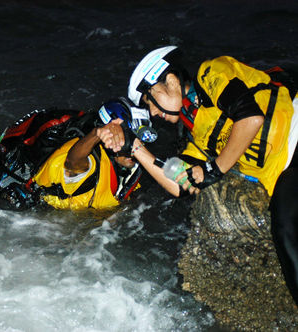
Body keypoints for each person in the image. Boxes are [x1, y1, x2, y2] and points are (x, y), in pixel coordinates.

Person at [105, 46, 297, 303]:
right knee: (284, 229)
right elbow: (179, 186)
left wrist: (214, 169)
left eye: (150, 100)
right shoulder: (197, 131)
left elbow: (250, 118)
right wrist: (134, 148)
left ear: (170, 81)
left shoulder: (210, 72)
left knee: (286, 228)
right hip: (284, 170)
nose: (151, 112)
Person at [0, 98, 155, 210]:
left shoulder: (131, 165)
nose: (132, 149)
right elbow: (73, 161)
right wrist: (97, 134)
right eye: (125, 141)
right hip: (44, 210)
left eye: (138, 141)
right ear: (109, 138)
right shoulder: (90, 161)